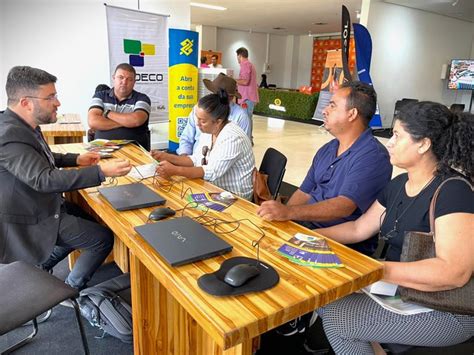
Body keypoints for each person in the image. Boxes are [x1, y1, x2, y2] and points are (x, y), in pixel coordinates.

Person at [315, 101, 473, 354]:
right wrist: (307, 237)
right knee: (322, 298)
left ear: (423, 144)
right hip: (402, 291)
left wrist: (373, 270)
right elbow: (358, 228)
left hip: (448, 308)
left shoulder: (454, 191)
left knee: (339, 318)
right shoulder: (399, 184)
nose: (389, 142)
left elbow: (454, 272)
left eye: (397, 136)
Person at [0, 66, 132, 291]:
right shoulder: (10, 135)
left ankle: (43, 265)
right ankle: (71, 290)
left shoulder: (22, 124)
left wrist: (76, 159)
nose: (58, 102)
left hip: (40, 204)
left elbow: (42, 158)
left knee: (89, 218)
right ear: (26, 102)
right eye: (50, 97)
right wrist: (102, 172)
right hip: (30, 217)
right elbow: (44, 179)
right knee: (101, 238)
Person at [257, 81, 392, 256]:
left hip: (341, 245)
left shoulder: (372, 157)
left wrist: (289, 213)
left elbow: (344, 206)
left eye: (333, 105)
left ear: (352, 114)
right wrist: (283, 220)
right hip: (307, 229)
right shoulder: (328, 149)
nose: (324, 110)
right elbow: (304, 193)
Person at [151, 90, 255, 200]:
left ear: (218, 121)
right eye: (197, 118)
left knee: (180, 200)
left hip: (234, 195)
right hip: (212, 187)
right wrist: (165, 156)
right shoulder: (209, 131)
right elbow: (196, 159)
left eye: (202, 121)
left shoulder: (233, 137)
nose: (197, 123)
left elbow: (211, 172)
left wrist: (175, 170)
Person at [177, 73, 251, 155]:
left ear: (231, 97)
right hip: (196, 159)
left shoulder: (240, 116)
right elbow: (186, 138)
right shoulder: (199, 109)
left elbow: (243, 147)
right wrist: (184, 155)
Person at [88, 63, 152, 150]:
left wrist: (107, 113)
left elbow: (136, 120)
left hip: (134, 151)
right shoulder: (100, 96)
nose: (124, 82)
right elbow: (93, 121)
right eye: (120, 77)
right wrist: (127, 122)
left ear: (134, 82)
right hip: (102, 150)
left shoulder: (142, 98)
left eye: (129, 79)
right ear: (114, 78)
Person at [235, 47, 259, 142]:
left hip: (246, 98)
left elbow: (245, 81)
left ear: (240, 55)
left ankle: (247, 140)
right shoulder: (250, 65)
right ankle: (249, 138)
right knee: (248, 118)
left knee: (246, 119)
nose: (237, 58)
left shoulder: (245, 65)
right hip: (249, 97)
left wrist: (233, 80)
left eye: (237, 56)